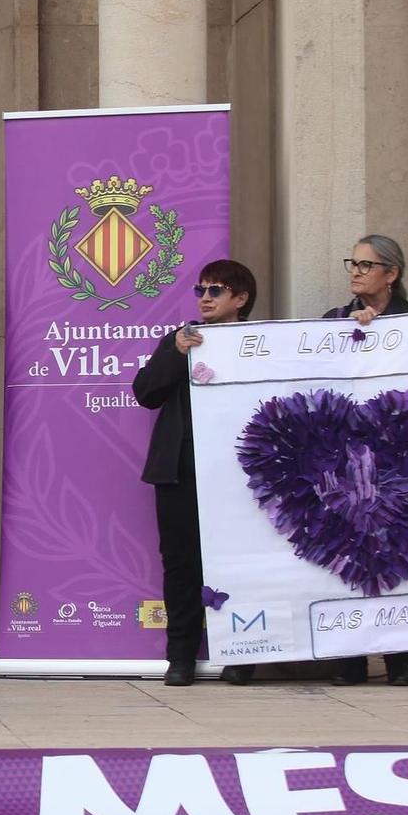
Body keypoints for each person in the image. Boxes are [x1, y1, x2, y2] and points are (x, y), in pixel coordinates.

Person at [132, 259, 258, 687]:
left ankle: (243, 655)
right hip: (180, 472)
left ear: (240, 299)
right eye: (200, 290)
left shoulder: (258, 342)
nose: (205, 298)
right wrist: (177, 354)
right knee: (182, 567)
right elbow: (145, 392)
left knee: (241, 565)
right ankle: (180, 658)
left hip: (239, 475)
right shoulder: (180, 339)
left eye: (216, 290)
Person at [324, 233, 408, 686]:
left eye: (366, 265)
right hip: (346, 462)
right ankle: (350, 659)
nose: (356, 272)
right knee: (347, 554)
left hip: (396, 460)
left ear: (392, 274)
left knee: (396, 552)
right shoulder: (333, 321)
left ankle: (399, 660)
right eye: (353, 263)